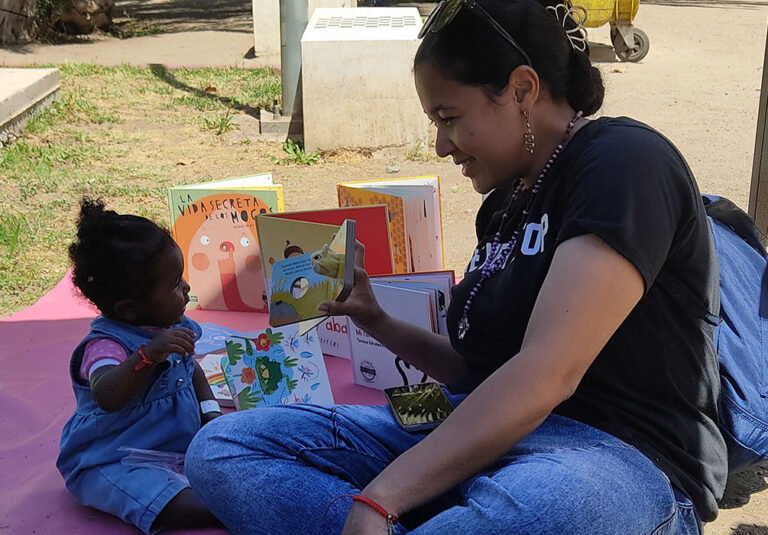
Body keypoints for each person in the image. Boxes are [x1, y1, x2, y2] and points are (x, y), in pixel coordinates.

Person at [185, 0, 728, 533]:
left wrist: (382, 497)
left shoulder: (625, 164)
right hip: (479, 422)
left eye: (449, 118)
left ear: (521, 90)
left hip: (612, 454)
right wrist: (377, 320)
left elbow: (546, 373)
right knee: (223, 448)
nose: (441, 146)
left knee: (538, 506)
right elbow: (476, 370)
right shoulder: (506, 200)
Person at [57, 198, 222, 534]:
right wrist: (147, 356)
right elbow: (106, 394)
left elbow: (190, 370)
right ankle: (223, 506)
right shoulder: (106, 346)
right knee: (164, 501)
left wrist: (211, 414)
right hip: (114, 459)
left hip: (176, 449)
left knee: (238, 455)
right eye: (175, 284)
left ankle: (224, 492)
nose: (187, 288)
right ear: (129, 309)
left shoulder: (173, 324)